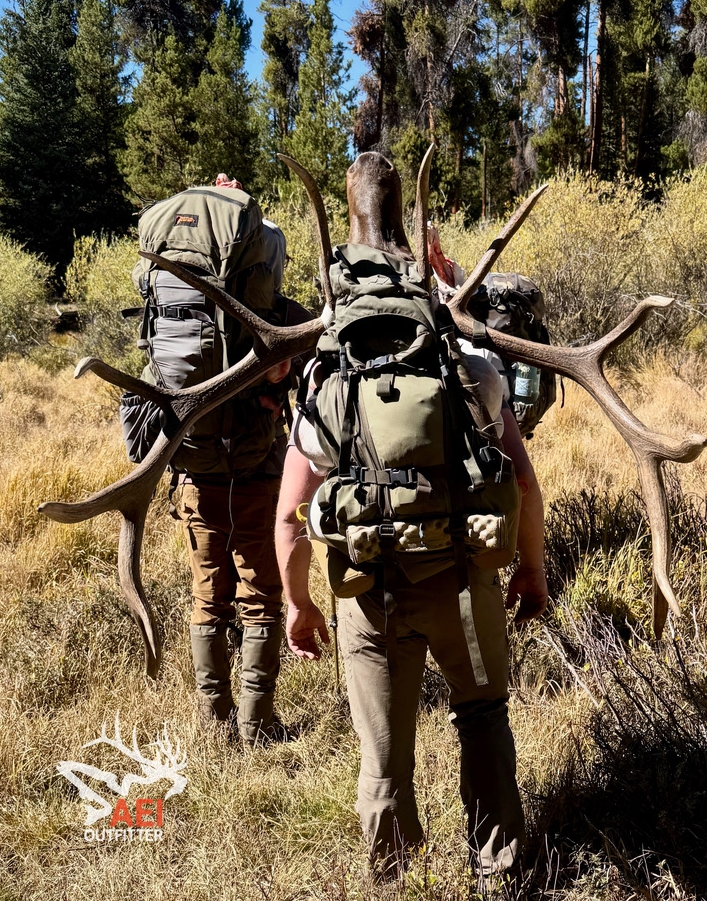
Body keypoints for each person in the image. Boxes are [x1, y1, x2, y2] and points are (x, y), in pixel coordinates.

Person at [275, 390, 547, 886]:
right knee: (483, 718)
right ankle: (500, 875)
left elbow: (291, 516)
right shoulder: (471, 368)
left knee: (383, 753)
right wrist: (531, 569)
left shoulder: (328, 383)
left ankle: (397, 879)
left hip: (371, 597)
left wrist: (298, 605)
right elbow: (523, 482)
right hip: (462, 591)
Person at [171, 174, 302, 747]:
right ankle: (255, 723)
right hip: (256, 470)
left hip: (195, 469)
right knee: (259, 593)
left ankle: (213, 720)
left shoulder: (175, 305)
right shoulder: (273, 311)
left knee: (208, 592)